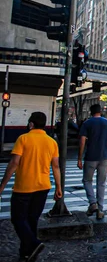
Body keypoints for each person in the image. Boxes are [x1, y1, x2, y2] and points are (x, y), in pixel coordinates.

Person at [0, 112, 61, 262]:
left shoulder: (23, 138)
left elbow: (14, 163)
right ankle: (27, 253)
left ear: (31, 124)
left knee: (18, 219)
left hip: (24, 187)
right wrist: (58, 187)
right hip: (43, 187)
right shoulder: (51, 142)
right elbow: (56, 166)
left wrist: (2, 186)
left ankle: (33, 244)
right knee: (32, 220)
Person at [78, 104, 107, 220]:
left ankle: (92, 203)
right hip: (104, 157)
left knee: (87, 180)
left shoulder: (87, 123)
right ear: (101, 111)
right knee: (101, 183)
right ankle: (100, 210)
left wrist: (79, 158)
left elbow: (82, 141)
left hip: (90, 157)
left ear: (91, 112)